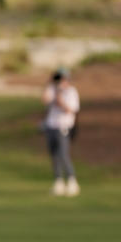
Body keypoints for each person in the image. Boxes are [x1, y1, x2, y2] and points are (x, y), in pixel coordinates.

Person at [41, 68, 81, 197]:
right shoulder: (52, 89)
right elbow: (45, 100)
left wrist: (59, 98)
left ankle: (72, 181)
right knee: (54, 155)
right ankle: (58, 182)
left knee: (63, 154)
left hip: (64, 127)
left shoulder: (71, 92)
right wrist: (52, 87)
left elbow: (71, 110)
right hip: (51, 126)